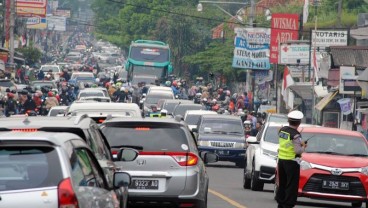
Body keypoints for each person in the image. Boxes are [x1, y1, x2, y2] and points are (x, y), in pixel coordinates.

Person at [276, 110, 306, 208]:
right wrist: (304, 146)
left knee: (283, 183)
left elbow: (281, 133)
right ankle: (288, 205)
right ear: (299, 122)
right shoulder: (296, 135)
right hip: (292, 162)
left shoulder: (282, 130)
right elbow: (298, 151)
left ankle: (281, 202)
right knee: (291, 185)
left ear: (289, 120)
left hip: (281, 160)